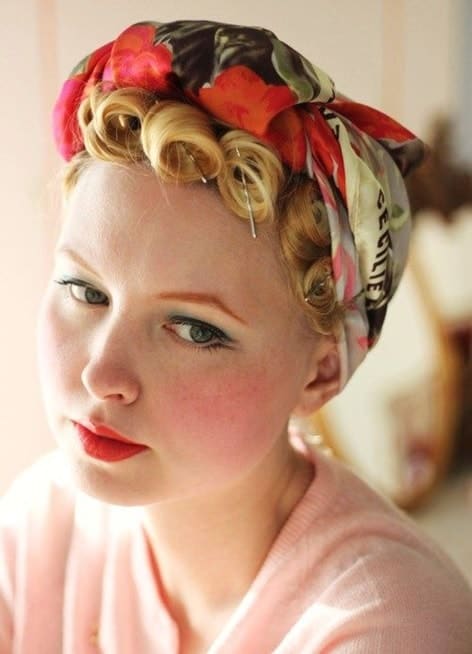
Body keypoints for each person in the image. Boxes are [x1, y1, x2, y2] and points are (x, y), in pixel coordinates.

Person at [1, 18, 471, 654]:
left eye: (195, 329)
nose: (100, 375)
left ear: (321, 373)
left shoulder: (387, 626)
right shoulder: (41, 525)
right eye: (86, 291)